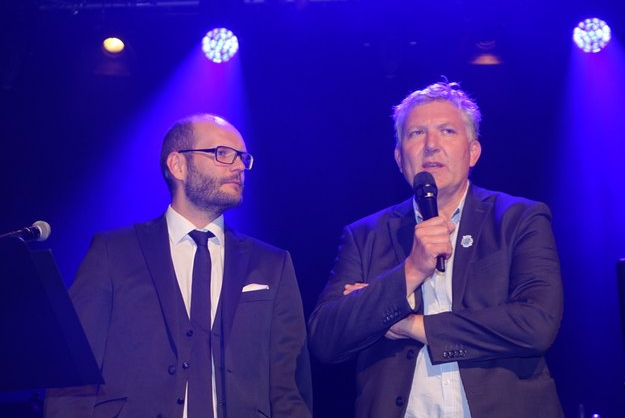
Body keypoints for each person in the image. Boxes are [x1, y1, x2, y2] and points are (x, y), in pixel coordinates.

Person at [308, 81, 564, 418]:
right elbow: (325, 340)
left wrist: (412, 325)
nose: (431, 146)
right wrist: (412, 269)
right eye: (416, 134)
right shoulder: (365, 235)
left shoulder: (518, 219)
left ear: (473, 152)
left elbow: (536, 325)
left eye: (447, 131)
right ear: (399, 158)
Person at [45, 114, 313, 418]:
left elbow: (288, 389)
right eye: (223, 154)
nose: (239, 166)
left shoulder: (272, 264)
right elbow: (72, 375)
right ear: (177, 165)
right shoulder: (112, 252)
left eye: (242, 157)